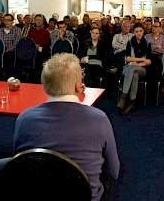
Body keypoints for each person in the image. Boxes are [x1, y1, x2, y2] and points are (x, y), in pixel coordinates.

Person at [13, 53, 120, 200]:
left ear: (44, 86)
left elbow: (18, 163)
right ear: (78, 85)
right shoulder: (99, 119)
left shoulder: (24, 119)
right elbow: (114, 171)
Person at [117, 23, 151, 114]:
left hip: (142, 69)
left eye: (140, 31)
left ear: (143, 32)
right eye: (136, 31)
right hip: (130, 68)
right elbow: (127, 58)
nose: (139, 33)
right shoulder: (130, 42)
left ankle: (123, 97)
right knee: (134, 75)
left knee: (133, 68)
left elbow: (149, 61)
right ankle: (132, 103)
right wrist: (141, 59)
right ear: (134, 33)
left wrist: (136, 63)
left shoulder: (147, 43)